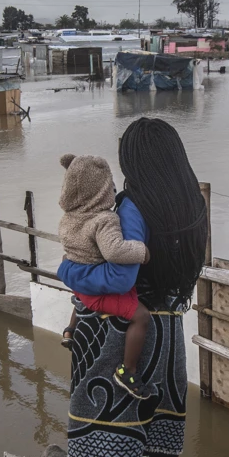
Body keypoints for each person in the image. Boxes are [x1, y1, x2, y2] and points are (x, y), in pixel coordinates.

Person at [58, 117, 208, 457]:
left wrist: (70, 275)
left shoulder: (128, 206)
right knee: (162, 419)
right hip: (169, 329)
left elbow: (114, 269)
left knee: (117, 418)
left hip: (122, 328)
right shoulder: (193, 206)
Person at [55, 153, 152, 399]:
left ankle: (69, 330)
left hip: (79, 284)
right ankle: (127, 370)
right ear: (100, 191)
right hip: (96, 292)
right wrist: (142, 252)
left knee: (81, 289)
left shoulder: (69, 218)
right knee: (141, 317)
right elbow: (115, 250)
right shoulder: (104, 220)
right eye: (109, 183)